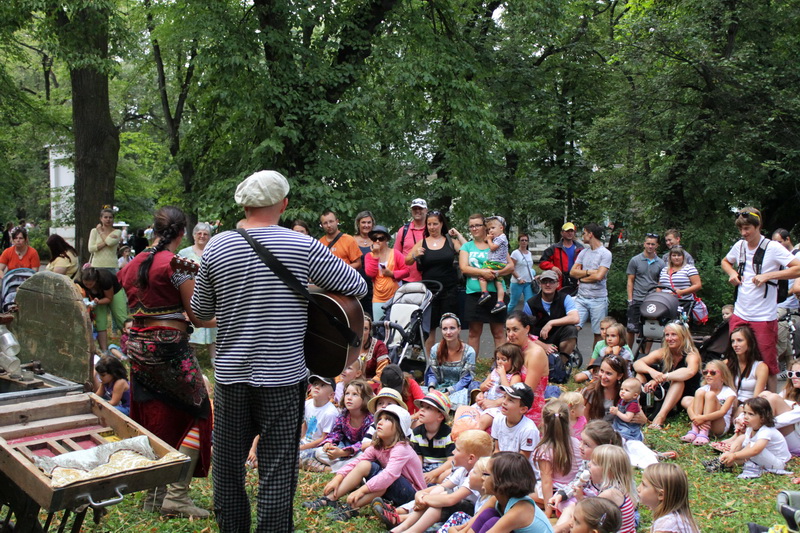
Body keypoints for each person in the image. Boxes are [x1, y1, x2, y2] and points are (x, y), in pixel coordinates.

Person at [190, 170, 367, 531]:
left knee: (227, 467)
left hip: (231, 377)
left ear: (244, 204)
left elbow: (202, 312)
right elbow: (355, 284)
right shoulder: (303, 246)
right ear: (283, 205)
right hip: (283, 378)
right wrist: (306, 283)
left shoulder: (217, 246)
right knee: (276, 471)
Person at [118, 206, 215, 519]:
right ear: (183, 233)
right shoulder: (175, 265)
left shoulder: (132, 264)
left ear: (153, 229)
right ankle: (175, 496)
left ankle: (154, 495)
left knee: (156, 415)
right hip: (169, 347)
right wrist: (231, 314)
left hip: (136, 346)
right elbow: (198, 316)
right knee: (199, 412)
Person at [721, 207, 800, 391]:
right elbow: (726, 261)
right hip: (741, 312)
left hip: (763, 316)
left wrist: (769, 275)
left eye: (747, 228)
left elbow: (797, 268)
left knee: (767, 361)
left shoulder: (772, 247)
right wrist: (732, 273)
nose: (744, 233)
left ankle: (771, 402)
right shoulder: (739, 246)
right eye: (741, 229)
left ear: (758, 226)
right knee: (735, 357)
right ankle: (735, 401)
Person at [306, 404, 425, 521]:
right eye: (380, 419)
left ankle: (351, 508)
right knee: (364, 465)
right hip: (390, 488)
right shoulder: (378, 446)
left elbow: (388, 475)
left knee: (383, 479)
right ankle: (330, 498)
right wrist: (338, 477)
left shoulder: (402, 449)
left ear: (399, 428)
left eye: (387, 419)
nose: (380, 422)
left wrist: (362, 490)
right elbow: (357, 462)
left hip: (411, 495)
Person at [383, 429, 493, 533]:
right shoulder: (463, 470)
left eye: (457, 450)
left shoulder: (476, 475)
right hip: (453, 506)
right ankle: (403, 526)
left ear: (471, 458)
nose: (453, 452)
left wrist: (425, 499)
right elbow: (442, 486)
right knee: (439, 491)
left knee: (441, 498)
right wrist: (420, 494)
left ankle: (409, 529)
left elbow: (451, 499)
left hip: (468, 514)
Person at [405, 210, 461, 353]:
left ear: (441, 224)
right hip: (429, 291)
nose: (432, 227)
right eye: (429, 224)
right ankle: (429, 361)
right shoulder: (422, 242)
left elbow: (467, 251)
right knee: (429, 327)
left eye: (435, 223)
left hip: (449, 290)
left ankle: (449, 357)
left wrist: (459, 235)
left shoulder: (450, 241)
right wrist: (414, 254)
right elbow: (407, 261)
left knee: (449, 325)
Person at [460, 213, 515, 353]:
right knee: (473, 332)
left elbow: (510, 266)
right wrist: (482, 273)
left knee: (498, 332)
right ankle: (471, 367)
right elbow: (464, 268)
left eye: (478, 225)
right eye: (471, 226)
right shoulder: (467, 246)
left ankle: (501, 366)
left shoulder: (496, 244)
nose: (474, 228)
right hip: (474, 294)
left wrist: (496, 273)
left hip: (496, 294)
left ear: (485, 226)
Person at [633, 322, 702, 429]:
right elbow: (637, 364)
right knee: (640, 373)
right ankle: (636, 409)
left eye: (674, 334)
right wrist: (652, 372)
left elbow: (690, 371)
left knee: (678, 381)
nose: (670, 338)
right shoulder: (663, 352)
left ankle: (660, 417)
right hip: (665, 392)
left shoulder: (691, 354)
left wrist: (661, 378)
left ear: (683, 336)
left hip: (684, 396)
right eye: (667, 335)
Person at [464, 451, 553, 533]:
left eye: (486, 474)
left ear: (500, 480)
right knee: (489, 513)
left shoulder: (520, 510)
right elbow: (466, 527)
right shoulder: (497, 500)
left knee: (493, 522)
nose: (482, 478)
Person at [720, 397, 792, 479]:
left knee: (751, 448)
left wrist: (735, 455)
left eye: (751, 414)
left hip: (779, 464)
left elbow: (755, 450)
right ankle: (723, 461)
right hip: (762, 457)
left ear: (762, 418)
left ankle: (728, 461)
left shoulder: (766, 431)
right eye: (744, 413)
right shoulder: (750, 428)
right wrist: (732, 454)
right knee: (742, 439)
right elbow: (747, 447)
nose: (746, 417)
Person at [178, 222, 218, 363]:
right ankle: (192, 357)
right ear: (194, 235)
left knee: (213, 326)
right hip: (191, 294)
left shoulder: (214, 251)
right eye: (199, 233)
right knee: (191, 324)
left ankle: (214, 357)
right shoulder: (184, 253)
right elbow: (178, 275)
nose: (202, 236)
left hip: (211, 294)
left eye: (205, 234)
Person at [533, 400, 581, 517]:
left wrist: (548, 514)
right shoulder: (577, 443)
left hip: (556, 492)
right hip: (574, 491)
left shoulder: (545, 450)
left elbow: (547, 482)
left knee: (521, 495)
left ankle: (551, 506)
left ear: (544, 422)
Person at [316, 380, 374, 472]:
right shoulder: (344, 415)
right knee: (319, 452)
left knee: (364, 458)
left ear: (365, 398)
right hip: (343, 447)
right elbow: (335, 433)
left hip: (358, 451)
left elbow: (364, 444)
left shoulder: (370, 419)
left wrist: (342, 453)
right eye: (347, 394)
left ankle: (333, 468)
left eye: (355, 394)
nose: (349, 398)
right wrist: (329, 444)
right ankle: (344, 467)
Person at [570, 223, 613, 345]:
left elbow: (599, 276)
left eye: (584, 233)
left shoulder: (605, 253)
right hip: (581, 298)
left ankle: (594, 363)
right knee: (572, 328)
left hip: (598, 299)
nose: (582, 235)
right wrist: (589, 272)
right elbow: (572, 272)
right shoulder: (584, 252)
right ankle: (570, 356)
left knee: (599, 334)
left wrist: (582, 278)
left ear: (591, 234)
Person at [523, 270, 580, 359]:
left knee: (571, 330)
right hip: (537, 340)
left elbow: (575, 318)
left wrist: (551, 323)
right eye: (544, 282)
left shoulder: (565, 298)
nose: (548, 285)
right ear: (540, 284)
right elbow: (524, 332)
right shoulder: (530, 304)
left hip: (558, 337)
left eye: (551, 281)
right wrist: (543, 346)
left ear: (557, 284)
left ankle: (561, 365)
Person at [425, 313, 478, 407]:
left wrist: (449, 392)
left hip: (459, 389)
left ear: (459, 329)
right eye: (445, 329)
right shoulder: (435, 349)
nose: (448, 332)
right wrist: (431, 388)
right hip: (439, 387)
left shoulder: (469, 352)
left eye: (452, 328)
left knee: (460, 399)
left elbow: (466, 379)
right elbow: (432, 373)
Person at [505, 311, 549, 424]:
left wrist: (495, 402)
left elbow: (525, 393)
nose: (510, 334)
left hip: (526, 408)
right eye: (508, 330)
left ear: (527, 329)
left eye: (515, 329)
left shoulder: (535, 353)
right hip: (508, 399)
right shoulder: (512, 348)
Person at [679, 360, 736, 445]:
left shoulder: (729, 393)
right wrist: (695, 418)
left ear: (723, 376)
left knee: (710, 395)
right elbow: (690, 408)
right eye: (705, 372)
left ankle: (704, 432)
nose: (708, 375)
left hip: (719, 425)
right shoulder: (703, 389)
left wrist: (703, 418)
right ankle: (695, 429)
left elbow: (722, 412)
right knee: (699, 393)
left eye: (713, 373)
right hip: (700, 421)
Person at [584, 445, 637, 533]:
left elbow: (587, 516)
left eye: (594, 463)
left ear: (609, 471)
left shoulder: (609, 494)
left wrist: (579, 499)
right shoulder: (621, 487)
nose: (589, 464)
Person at [626, 233, 665, 347]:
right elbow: (630, 280)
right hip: (637, 298)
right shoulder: (635, 260)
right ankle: (628, 355)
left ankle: (645, 355)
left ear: (656, 245)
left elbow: (660, 282)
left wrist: (657, 299)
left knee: (649, 330)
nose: (650, 246)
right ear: (644, 244)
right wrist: (630, 299)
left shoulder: (661, 263)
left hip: (651, 300)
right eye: (648, 243)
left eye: (653, 244)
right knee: (631, 328)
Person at [365, 225, 410, 320]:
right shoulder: (369, 256)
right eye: (374, 238)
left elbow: (406, 271)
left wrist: (392, 274)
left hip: (395, 297)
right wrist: (376, 255)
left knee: (395, 327)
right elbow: (370, 274)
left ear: (386, 240)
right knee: (379, 328)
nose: (377, 241)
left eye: (381, 238)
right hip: (378, 298)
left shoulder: (396, 253)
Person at [638, 463, 700, 533]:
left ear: (661, 495)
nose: (638, 488)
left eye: (644, 485)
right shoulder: (679, 518)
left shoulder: (666, 526)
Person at [79, 267, 128, 353]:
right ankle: (104, 350)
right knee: (100, 322)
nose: (88, 286)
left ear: (96, 280)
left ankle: (130, 345)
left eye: (90, 284)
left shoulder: (105, 279)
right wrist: (88, 302)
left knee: (121, 319)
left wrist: (96, 303)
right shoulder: (79, 281)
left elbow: (109, 298)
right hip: (95, 298)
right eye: (86, 284)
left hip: (114, 293)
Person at [410, 390, 455, 483]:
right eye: (422, 406)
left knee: (450, 473)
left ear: (440, 416)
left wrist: (433, 474)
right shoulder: (416, 433)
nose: (422, 409)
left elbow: (451, 461)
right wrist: (419, 474)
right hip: (424, 470)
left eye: (428, 408)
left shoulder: (448, 434)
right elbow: (418, 459)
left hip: (441, 470)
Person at [726, 325, 768, 417]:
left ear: (749, 343)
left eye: (739, 340)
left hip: (749, 406)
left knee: (742, 412)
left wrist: (743, 407)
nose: (735, 345)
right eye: (732, 341)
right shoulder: (727, 363)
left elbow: (756, 398)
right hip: (730, 402)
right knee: (688, 400)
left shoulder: (760, 367)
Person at [298, 375, 339, 471]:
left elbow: (324, 438)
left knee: (297, 456)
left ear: (331, 395)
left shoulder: (330, 413)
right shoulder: (307, 404)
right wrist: (298, 441)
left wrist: (302, 447)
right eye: (315, 384)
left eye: (322, 385)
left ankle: (321, 467)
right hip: (306, 442)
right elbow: (305, 424)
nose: (317, 387)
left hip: (319, 446)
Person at [774, 228, 800, 375]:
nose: (776, 245)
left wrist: (781, 294)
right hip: (780, 302)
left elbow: (796, 286)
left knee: (777, 335)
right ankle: (790, 368)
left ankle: (771, 366)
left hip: (787, 304)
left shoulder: (797, 257)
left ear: (787, 239)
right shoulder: (780, 257)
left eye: (779, 242)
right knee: (790, 348)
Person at [491, 383, 540, 458]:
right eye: (504, 397)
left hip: (519, 468)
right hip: (500, 464)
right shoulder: (498, 419)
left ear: (523, 409)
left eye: (510, 400)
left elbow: (522, 460)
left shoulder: (529, 430)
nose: (504, 402)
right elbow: (496, 450)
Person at [477, 216, 509, 314]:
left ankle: (484, 293)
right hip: (500, 264)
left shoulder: (501, 237)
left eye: (493, 228)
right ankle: (500, 302)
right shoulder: (499, 237)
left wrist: (489, 240)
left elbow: (493, 248)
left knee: (482, 274)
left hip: (495, 262)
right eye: (489, 229)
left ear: (501, 228)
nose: (490, 231)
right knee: (499, 282)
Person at [658, 245, 702, 318]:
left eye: (679, 255)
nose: (676, 257)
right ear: (670, 257)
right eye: (674, 255)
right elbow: (659, 286)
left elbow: (698, 285)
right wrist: (659, 297)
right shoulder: (664, 270)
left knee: (679, 325)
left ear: (683, 257)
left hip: (683, 302)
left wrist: (682, 292)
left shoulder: (689, 269)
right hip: (665, 303)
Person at [582, 354, 629, 423]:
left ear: (619, 376)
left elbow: (640, 417)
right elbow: (584, 418)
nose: (603, 376)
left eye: (608, 373)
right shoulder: (591, 391)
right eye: (601, 371)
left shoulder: (627, 392)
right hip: (596, 429)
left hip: (618, 429)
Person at [540, 222, 584, 292]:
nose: (570, 233)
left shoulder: (580, 248)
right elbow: (542, 262)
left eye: (572, 231)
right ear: (562, 233)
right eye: (567, 231)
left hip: (576, 280)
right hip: (560, 281)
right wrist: (552, 267)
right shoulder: (554, 248)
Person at [394, 198, 428, 283]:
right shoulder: (403, 230)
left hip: (429, 277)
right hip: (407, 279)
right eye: (415, 209)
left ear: (426, 210)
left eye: (420, 208)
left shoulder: (431, 229)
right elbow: (396, 255)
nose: (417, 211)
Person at [359, 314, 389, 390]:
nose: (361, 332)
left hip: (370, 387)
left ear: (369, 331)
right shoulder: (348, 345)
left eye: (365, 329)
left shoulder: (379, 346)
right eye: (359, 328)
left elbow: (381, 373)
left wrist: (363, 386)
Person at [354, 210, 375, 312]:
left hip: (374, 286)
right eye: (363, 222)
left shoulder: (378, 241)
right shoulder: (351, 240)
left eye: (369, 222)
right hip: (355, 284)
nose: (366, 225)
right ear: (358, 224)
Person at [509, 233, 536, 311]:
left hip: (528, 282)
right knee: (513, 303)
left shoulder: (529, 253)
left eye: (526, 240)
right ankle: (504, 318)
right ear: (519, 242)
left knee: (528, 303)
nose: (524, 242)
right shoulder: (515, 253)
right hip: (517, 282)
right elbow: (511, 268)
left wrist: (533, 277)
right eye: (522, 240)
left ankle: (524, 320)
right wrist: (519, 278)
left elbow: (529, 267)